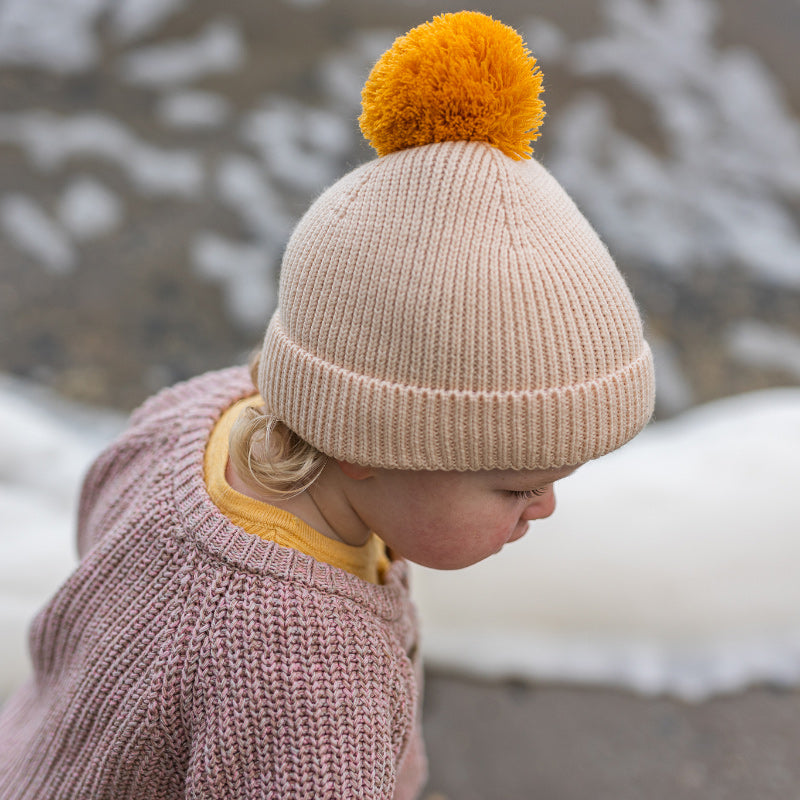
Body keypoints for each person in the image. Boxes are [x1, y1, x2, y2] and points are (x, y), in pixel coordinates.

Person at [0, 11, 655, 800]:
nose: (544, 507)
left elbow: (96, 522)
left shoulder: (188, 420)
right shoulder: (311, 680)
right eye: (514, 487)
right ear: (367, 441)